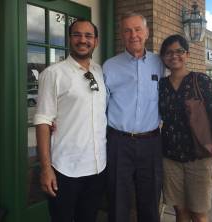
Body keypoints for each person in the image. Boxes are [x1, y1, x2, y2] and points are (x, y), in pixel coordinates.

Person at [34, 19, 107, 222]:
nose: (82, 40)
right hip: (65, 169)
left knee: (89, 218)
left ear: (96, 41)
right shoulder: (53, 74)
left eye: (88, 36)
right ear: (69, 39)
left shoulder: (99, 71)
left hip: (97, 166)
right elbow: (42, 122)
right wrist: (46, 169)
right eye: (77, 35)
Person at [102, 12, 164, 222]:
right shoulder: (109, 66)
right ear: (121, 34)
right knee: (118, 200)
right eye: (127, 30)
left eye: (138, 29)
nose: (133, 34)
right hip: (119, 142)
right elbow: (98, 104)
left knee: (150, 200)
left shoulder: (160, 64)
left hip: (151, 142)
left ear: (146, 32)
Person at [158, 34, 212, 222]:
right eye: (168, 52)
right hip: (170, 158)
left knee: (199, 213)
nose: (174, 56)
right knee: (180, 211)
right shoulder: (161, 86)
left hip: (200, 158)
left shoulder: (201, 81)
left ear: (187, 54)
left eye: (179, 51)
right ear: (163, 58)